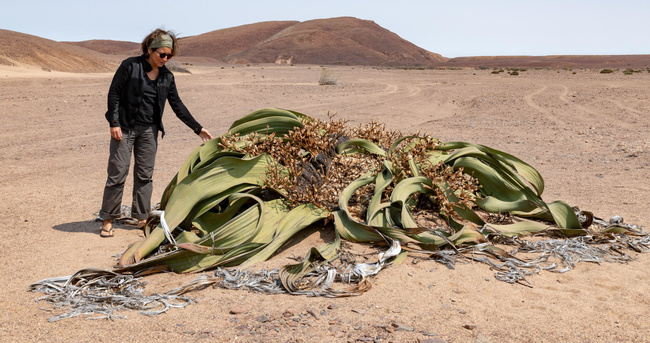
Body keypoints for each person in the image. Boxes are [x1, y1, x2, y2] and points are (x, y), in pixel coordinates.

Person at [99, 28, 212, 237]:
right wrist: (113, 122)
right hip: (124, 128)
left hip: (149, 132)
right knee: (118, 173)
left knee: (145, 175)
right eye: (162, 54)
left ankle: (141, 217)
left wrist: (197, 128)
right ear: (150, 50)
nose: (165, 59)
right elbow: (114, 92)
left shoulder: (167, 77)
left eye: (169, 55)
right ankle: (108, 218)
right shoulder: (130, 66)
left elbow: (177, 105)